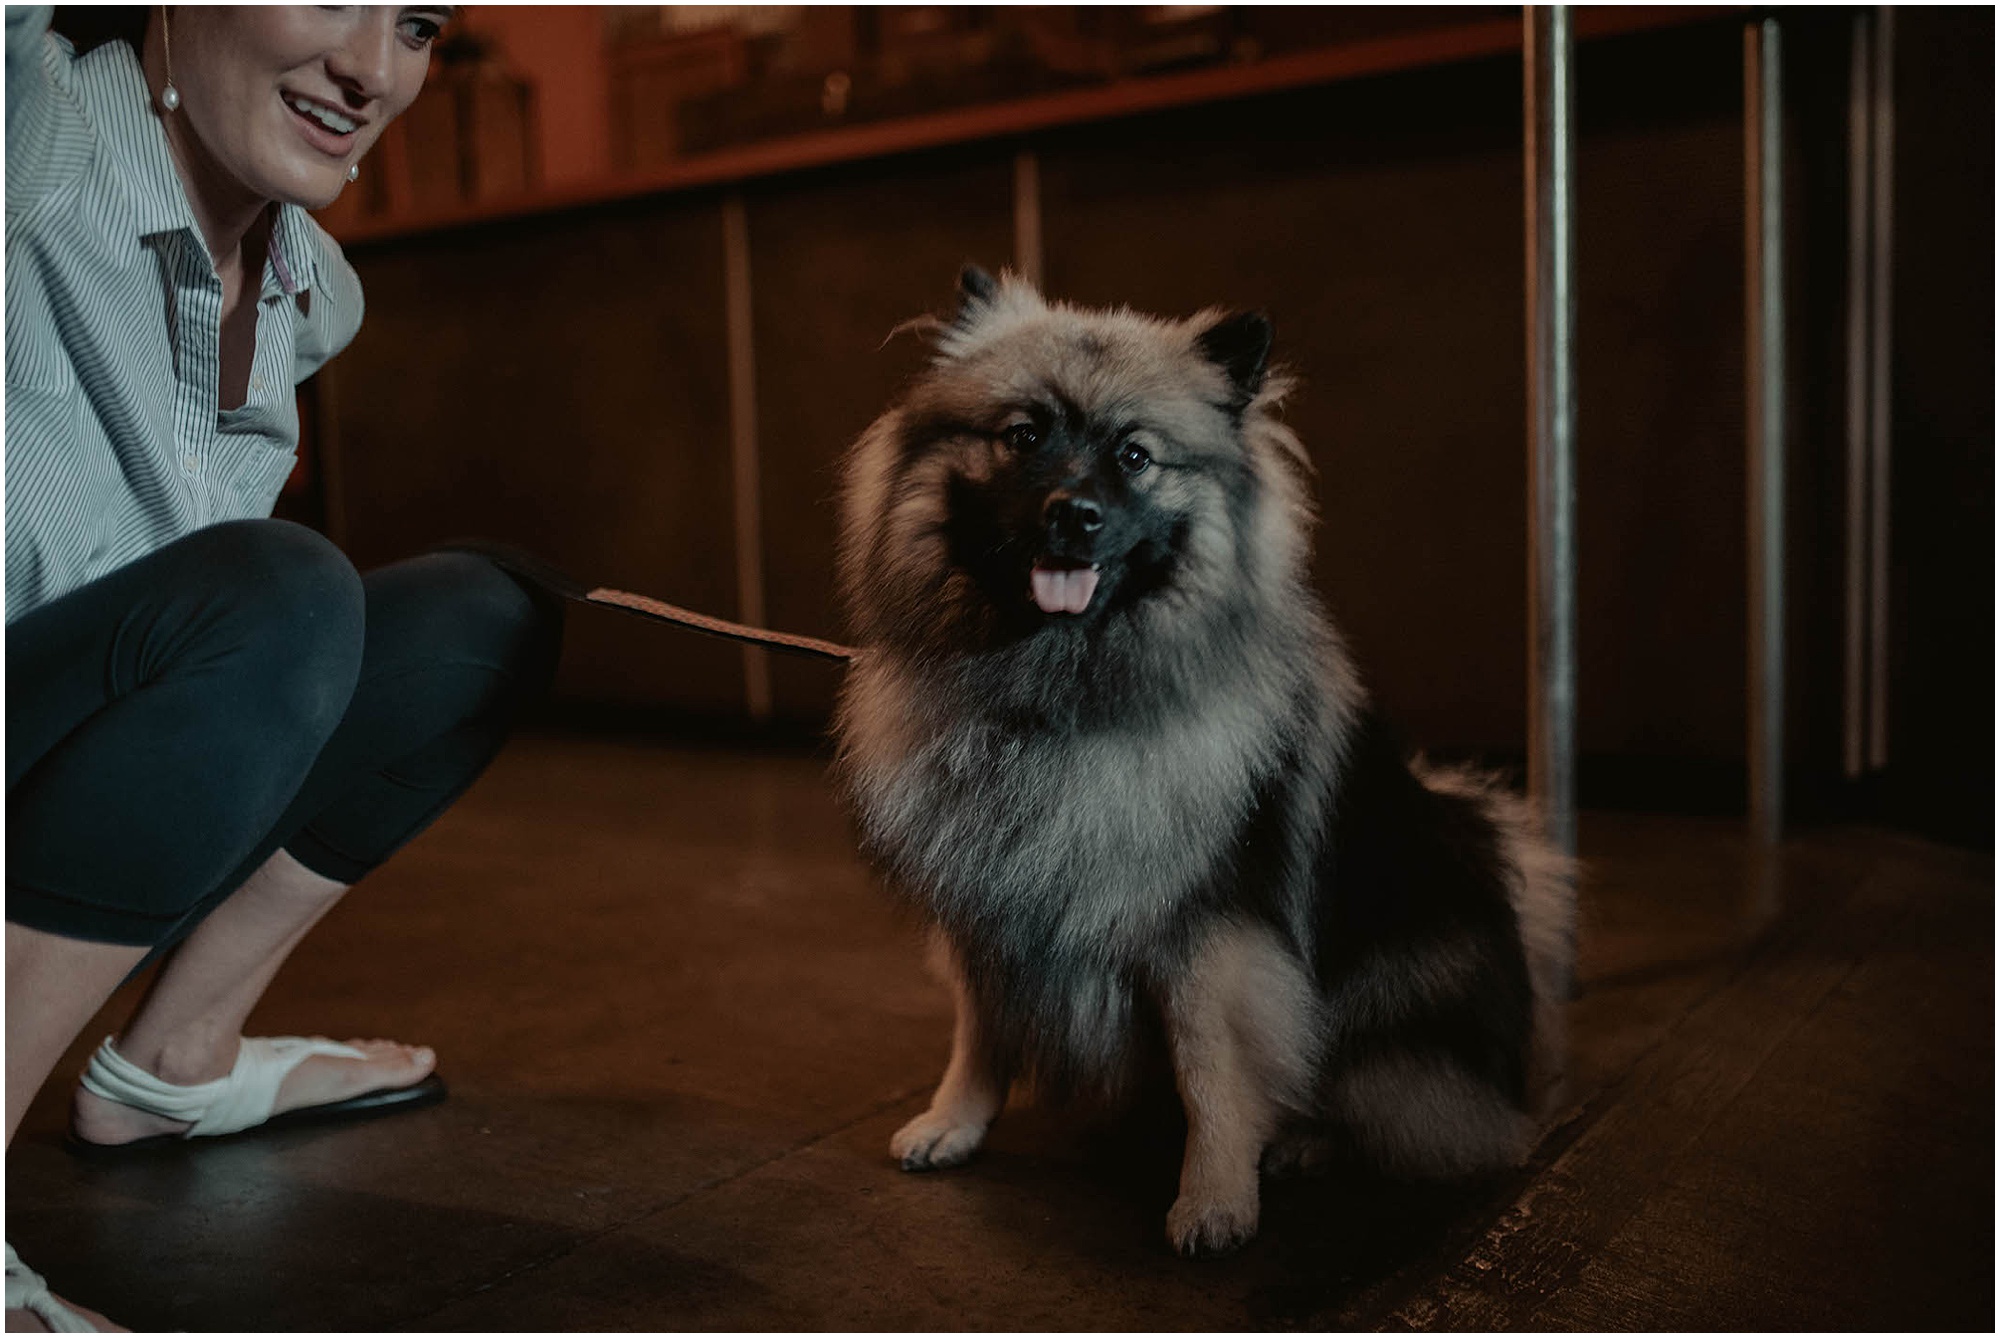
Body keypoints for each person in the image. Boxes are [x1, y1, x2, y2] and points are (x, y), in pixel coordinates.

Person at [4, 7, 563, 1330]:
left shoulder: (316, 287)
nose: (371, 69)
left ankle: (172, 1064)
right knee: (280, 596)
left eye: (416, 24)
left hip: (75, 769)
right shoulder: (28, 124)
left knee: (486, 616)